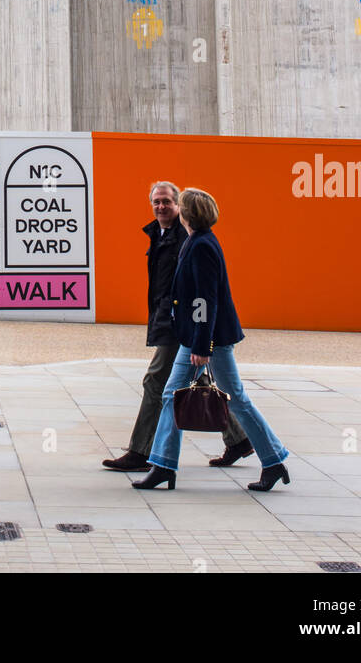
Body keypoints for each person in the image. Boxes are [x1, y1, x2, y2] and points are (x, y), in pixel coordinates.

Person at [134, 187, 290, 493]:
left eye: (179, 204)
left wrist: (202, 346)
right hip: (194, 338)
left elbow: (206, 301)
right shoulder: (194, 241)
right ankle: (164, 465)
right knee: (170, 395)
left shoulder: (202, 245)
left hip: (209, 339)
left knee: (238, 400)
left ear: (189, 212)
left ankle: (273, 461)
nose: (173, 207)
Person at [102, 181, 251, 472]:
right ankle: (238, 438)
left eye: (167, 202)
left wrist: (196, 336)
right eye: (156, 202)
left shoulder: (188, 237)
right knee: (199, 382)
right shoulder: (160, 233)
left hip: (179, 322)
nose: (161, 207)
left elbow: (199, 293)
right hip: (168, 318)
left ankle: (140, 452)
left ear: (178, 205)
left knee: (156, 382)